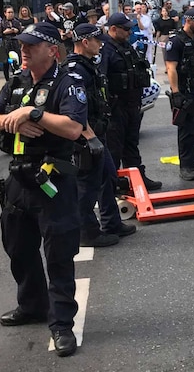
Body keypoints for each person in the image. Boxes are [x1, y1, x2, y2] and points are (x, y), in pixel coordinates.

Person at [0, 22, 87, 357]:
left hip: (53, 178)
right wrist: (16, 118)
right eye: (21, 44)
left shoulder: (68, 82)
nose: (23, 49)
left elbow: (72, 128)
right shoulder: (17, 80)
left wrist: (34, 113)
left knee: (58, 253)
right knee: (18, 247)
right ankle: (33, 305)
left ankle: (61, 324)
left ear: (52, 50)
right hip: (19, 179)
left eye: (31, 45)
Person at [64, 23, 136, 246]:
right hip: (87, 138)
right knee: (88, 186)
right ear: (85, 42)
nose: (101, 44)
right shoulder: (75, 70)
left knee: (107, 177)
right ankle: (87, 232)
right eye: (97, 40)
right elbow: (75, 109)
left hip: (98, 132)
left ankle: (112, 222)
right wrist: (89, 137)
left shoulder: (87, 65)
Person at [99, 12, 161, 191]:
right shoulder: (105, 49)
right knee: (114, 149)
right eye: (125, 29)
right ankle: (113, 184)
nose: (129, 32)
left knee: (131, 145)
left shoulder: (126, 46)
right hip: (115, 107)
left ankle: (137, 179)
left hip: (132, 105)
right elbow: (100, 80)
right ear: (113, 29)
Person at [164, 8, 194, 181]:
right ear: (188, 21)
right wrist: (176, 92)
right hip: (186, 91)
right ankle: (185, 166)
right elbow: (171, 68)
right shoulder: (176, 41)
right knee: (186, 130)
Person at [0, 6, 23, 81]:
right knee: (7, 62)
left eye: (12, 12)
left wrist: (17, 31)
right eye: (9, 12)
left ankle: (16, 77)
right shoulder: (2, 23)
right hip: (6, 44)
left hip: (15, 44)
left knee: (15, 61)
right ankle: (7, 79)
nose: (10, 14)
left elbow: (21, 32)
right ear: (5, 13)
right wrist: (4, 32)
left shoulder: (16, 22)